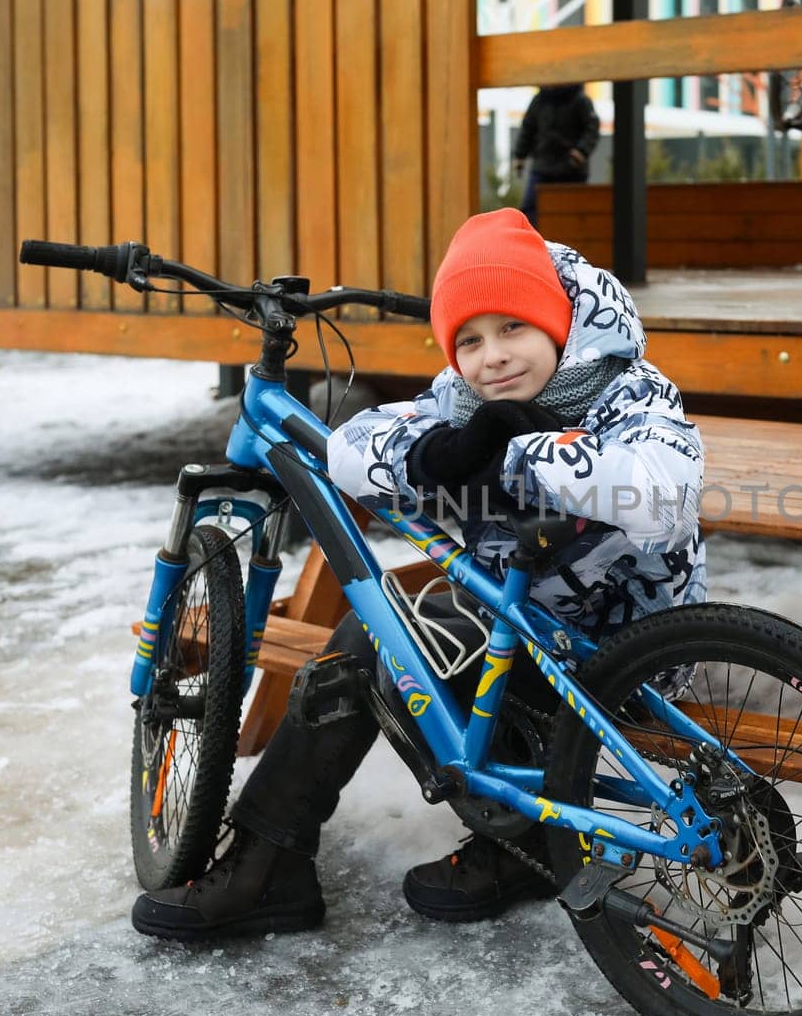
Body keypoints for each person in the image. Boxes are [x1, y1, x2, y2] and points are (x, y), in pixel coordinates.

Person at [131, 207, 706, 941]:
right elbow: (355, 446)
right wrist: (435, 454)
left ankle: (295, 855)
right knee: (383, 630)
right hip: (525, 637)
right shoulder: (463, 401)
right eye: (469, 339)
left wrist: (520, 454)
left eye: (513, 328)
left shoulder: (628, 391)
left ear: (560, 324)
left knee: (392, 632)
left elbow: (663, 493)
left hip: (624, 663)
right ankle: (491, 840)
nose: (491, 357)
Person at [513, 84, 600, 230]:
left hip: (571, 168)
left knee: (573, 213)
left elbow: (592, 129)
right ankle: (530, 243)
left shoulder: (580, 100)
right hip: (543, 167)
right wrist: (519, 156)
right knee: (530, 210)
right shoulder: (539, 101)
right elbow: (528, 129)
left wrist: (581, 152)